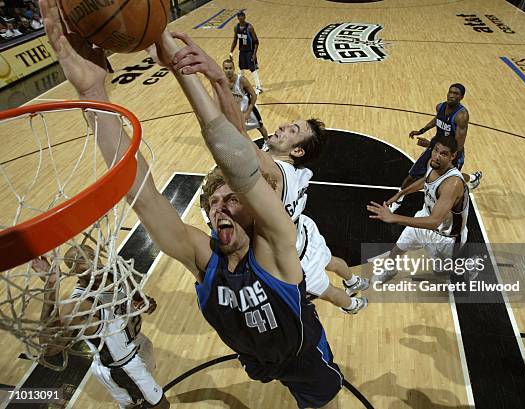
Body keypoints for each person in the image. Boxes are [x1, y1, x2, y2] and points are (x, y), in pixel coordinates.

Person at [41, 0, 342, 407]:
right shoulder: (203, 257)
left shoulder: (274, 247)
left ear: (251, 211)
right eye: (213, 202)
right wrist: (92, 93)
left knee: (321, 400)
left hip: (304, 358)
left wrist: (180, 66)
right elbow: (141, 194)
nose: (221, 206)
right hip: (256, 356)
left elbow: (235, 159)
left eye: (231, 200)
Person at [190, 40, 368, 313]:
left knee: (329, 292)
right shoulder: (288, 168)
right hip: (304, 231)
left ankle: (353, 304)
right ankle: (355, 280)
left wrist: (218, 80)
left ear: (296, 150)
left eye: (292, 130)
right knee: (332, 260)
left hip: (294, 256)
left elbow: (236, 134)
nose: (283, 125)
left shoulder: (276, 171)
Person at [32, 245, 168, 409]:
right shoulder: (80, 305)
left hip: (138, 344)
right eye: (81, 259)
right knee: (161, 406)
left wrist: (145, 302)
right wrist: (51, 286)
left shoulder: (116, 274)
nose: (91, 259)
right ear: (74, 270)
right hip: (121, 366)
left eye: (91, 254)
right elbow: (49, 347)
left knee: (136, 403)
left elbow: (137, 300)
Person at [367, 137, 469, 284]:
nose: (437, 156)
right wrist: (401, 193)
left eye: (444, 154)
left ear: (453, 156)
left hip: (446, 236)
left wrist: (394, 217)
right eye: (435, 150)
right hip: (425, 217)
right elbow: (426, 180)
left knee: (441, 273)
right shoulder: (432, 164)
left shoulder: (452, 184)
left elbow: (434, 222)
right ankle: (390, 271)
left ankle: (468, 265)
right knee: (397, 249)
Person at [392, 84, 481, 212]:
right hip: (434, 147)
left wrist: (430, 145)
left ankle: (472, 178)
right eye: (450, 92)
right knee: (411, 177)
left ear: (461, 97)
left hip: (451, 155)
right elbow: (437, 119)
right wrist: (422, 130)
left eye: (456, 94)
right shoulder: (440, 106)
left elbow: (457, 145)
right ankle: (398, 199)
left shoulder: (461, 116)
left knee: (445, 184)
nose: (451, 95)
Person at [222, 58, 268, 139]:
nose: (228, 70)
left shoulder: (241, 80)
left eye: (230, 68)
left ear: (234, 69)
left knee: (260, 126)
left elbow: (254, 95)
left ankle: (267, 142)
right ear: (223, 69)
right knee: (238, 131)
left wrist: (248, 112)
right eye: (226, 68)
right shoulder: (223, 82)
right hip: (237, 112)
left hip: (249, 109)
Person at [229, 11, 263, 94]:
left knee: (253, 69)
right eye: (239, 16)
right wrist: (231, 52)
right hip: (242, 51)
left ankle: (259, 87)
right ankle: (242, 86)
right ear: (237, 18)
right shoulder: (236, 28)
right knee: (241, 68)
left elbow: (256, 42)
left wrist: (254, 54)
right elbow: (235, 40)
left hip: (250, 51)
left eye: (242, 16)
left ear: (244, 17)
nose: (241, 18)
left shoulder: (249, 27)